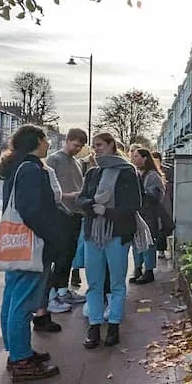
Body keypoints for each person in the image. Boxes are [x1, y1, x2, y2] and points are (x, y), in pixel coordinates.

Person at [0, 125, 66, 382]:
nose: (48, 143)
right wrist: (53, 236)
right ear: (37, 141)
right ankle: (21, 360)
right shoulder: (31, 169)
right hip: (31, 243)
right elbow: (33, 210)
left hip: (16, 243)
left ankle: (16, 351)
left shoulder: (15, 167)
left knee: (13, 296)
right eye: (45, 138)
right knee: (24, 303)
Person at [76, 131, 142, 349]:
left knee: (116, 282)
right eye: (94, 146)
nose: (96, 149)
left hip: (117, 233)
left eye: (100, 145)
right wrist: (91, 206)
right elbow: (81, 198)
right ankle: (94, 325)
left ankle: (114, 325)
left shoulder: (127, 172)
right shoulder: (92, 173)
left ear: (112, 145)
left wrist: (108, 211)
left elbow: (134, 204)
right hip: (93, 233)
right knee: (93, 282)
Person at [45, 128, 88, 310]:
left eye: (80, 146)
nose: (77, 149)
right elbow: (50, 189)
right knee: (60, 255)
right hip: (62, 213)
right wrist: (72, 195)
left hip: (76, 213)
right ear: (68, 140)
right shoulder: (54, 160)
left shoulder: (77, 162)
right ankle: (53, 295)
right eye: (75, 145)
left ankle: (63, 290)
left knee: (69, 254)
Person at [130, 147, 164, 284]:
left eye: (137, 156)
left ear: (145, 158)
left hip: (149, 213)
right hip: (137, 212)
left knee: (149, 242)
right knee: (136, 241)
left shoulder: (152, 175)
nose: (134, 158)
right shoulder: (136, 173)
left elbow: (156, 195)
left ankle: (149, 270)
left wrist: (142, 193)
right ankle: (137, 268)